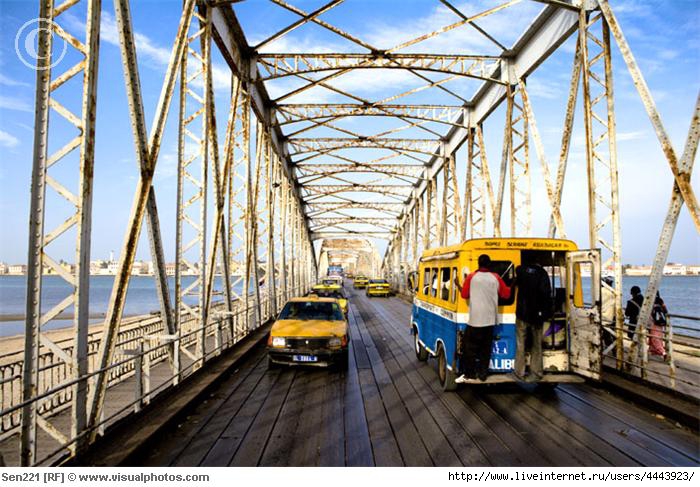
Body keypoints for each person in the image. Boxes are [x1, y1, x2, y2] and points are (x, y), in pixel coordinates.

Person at [460, 254, 512, 381]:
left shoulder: (472, 277)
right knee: (485, 349)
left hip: (475, 320)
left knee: (469, 349)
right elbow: (506, 294)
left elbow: (464, 295)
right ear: (489, 264)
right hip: (490, 321)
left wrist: (458, 285)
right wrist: (514, 283)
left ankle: (470, 373)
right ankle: (483, 374)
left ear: (478, 263)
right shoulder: (496, 277)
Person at [512, 263, 552, 382]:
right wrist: (545, 312)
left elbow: (514, 282)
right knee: (536, 345)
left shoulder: (520, 271)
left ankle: (519, 372)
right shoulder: (542, 273)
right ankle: (536, 372)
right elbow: (546, 293)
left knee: (520, 344)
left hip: (522, 314)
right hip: (536, 315)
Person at [649, 291, 668, 358]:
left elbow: (649, 312)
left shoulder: (651, 301)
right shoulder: (660, 300)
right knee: (659, 337)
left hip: (654, 322)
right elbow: (666, 311)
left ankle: (662, 352)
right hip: (660, 322)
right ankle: (653, 351)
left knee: (654, 338)